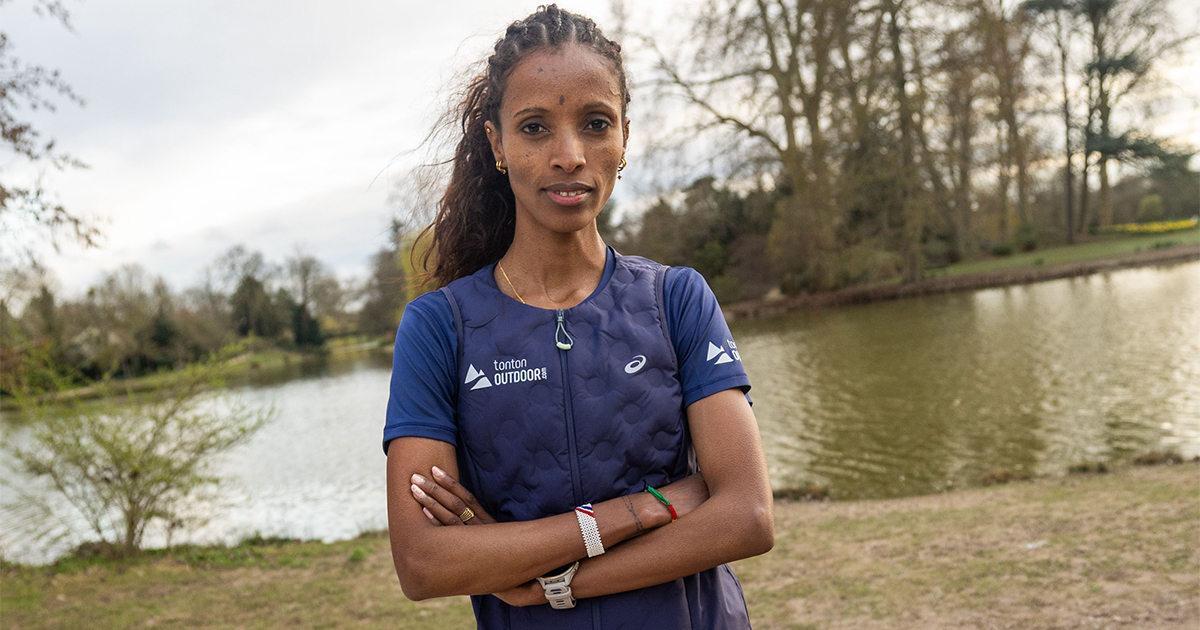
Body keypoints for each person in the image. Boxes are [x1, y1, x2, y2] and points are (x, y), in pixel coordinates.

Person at [383, 5, 773, 628]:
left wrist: (550, 586)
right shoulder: (439, 328)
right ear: (498, 144)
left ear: (624, 139)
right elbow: (424, 562)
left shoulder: (677, 299)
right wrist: (643, 510)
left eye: (595, 123)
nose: (569, 155)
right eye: (535, 127)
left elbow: (747, 517)